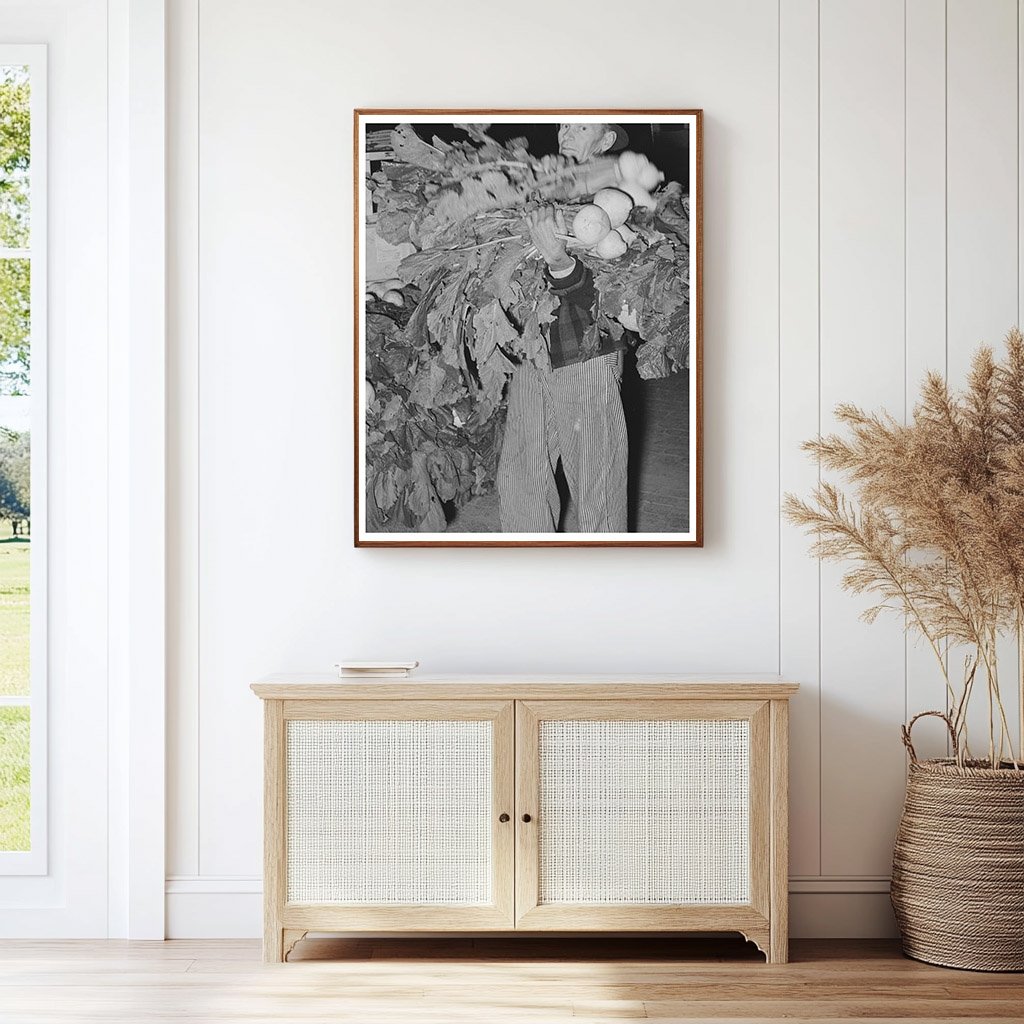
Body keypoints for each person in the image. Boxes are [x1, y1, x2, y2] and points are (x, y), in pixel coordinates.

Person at [496, 123, 629, 533]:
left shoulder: (621, 199)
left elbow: (620, 295)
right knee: (520, 476)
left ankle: (605, 588)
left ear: (606, 140)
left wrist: (559, 261)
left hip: (586, 353)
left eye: (582, 124)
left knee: (597, 487)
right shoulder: (539, 187)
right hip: (533, 349)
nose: (567, 131)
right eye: (564, 123)